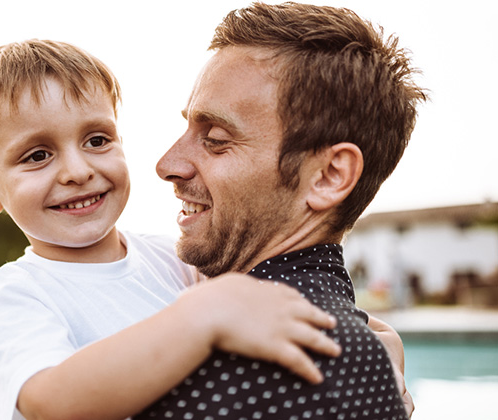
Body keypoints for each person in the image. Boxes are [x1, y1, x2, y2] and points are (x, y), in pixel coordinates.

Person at [0, 38, 345, 420]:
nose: (79, 171)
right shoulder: (13, 295)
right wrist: (198, 317)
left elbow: (272, 308)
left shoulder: (173, 259)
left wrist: (374, 336)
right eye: (37, 155)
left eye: (97, 140)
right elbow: (52, 404)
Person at [134, 2, 427, 419]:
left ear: (328, 175)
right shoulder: (365, 350)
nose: (168, 164)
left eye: (215, 138)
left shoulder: (240, 367)